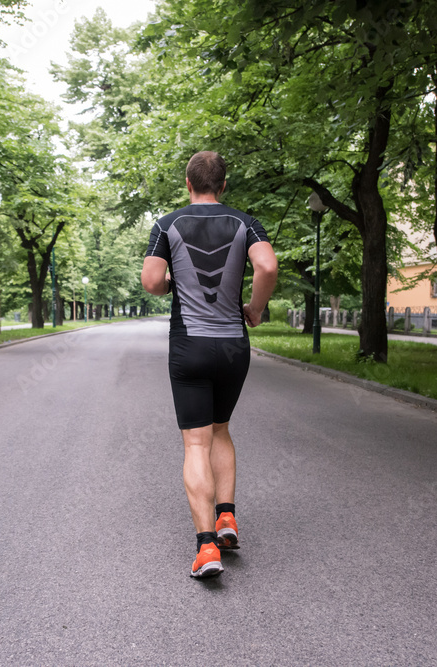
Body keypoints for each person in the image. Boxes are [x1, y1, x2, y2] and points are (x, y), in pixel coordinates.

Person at [141, 151, 278, 578]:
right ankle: (227, 518)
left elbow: (151, 282)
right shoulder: (245, 222)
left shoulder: (167, 224)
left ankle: (206, 549)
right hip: (233, 346)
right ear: (224, 184)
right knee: (221, 430)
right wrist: (255, 308)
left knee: (195, 443)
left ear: (188, 183)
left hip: (190, 346)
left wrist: (171, 283)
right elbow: (267, 265)